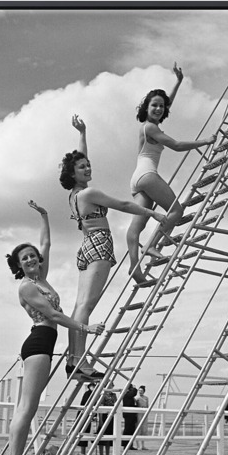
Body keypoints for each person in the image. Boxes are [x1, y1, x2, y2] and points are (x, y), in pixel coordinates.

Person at [60, 116, 167, 378]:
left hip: (86, 247)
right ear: (73, 173)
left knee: (79, 307)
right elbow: (124, 205)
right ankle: (80, 362)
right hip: (98, 245)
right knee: (85, 307)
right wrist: (151, 213)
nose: (87, 168)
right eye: (82, 168)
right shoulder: (88, 193)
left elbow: (78, 158)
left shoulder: (74, 194)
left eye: (88, 165)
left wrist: (83, 133)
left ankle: (74, 359)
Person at [5, 200, 105, 455]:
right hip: (38, 342)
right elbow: (55, 316)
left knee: (30, 407)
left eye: (31, 255)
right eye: (23, 258)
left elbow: (46, 244)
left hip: (45, 343)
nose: (30, 258)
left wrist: (45, 215)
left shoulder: (41, 278)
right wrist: (86, 327)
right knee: (26, 408)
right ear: (19, 265)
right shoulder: (27, 287)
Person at [126, 63, 218, 283]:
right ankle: (152, 245)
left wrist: (177, 82)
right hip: (147, 174)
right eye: (154, 105)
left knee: (136, 226)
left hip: (138, 178)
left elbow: (167, 104)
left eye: (160, 106)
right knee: (176, 211)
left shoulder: (150, 125)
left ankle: (134, 269)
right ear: (146, 108)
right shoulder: (150, 127)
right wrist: (204, 141)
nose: (158, 108)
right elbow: (175, 145)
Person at [97, 381, 117, 455]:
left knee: (109, 436)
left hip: (111, 416)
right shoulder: (102, 395)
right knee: (101, 436)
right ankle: (101, 454)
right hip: (104, 416)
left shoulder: (114, 395)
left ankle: (108, 454)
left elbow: (116, 404)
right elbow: (100, 408)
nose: (110, 386)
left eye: (111, 385)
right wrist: (101, 420)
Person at [78, 382, 96, 455]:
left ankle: (83, 452)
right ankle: (83, 452)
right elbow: (85, 403)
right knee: (83, 432)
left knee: (86, 432)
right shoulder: (88, 394)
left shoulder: (93, 394)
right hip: (84, 415)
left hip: (88, 415)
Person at [122, 384, 138, 449]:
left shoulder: (129, 396)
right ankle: (126, 444)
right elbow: (133, 393)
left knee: (131, 429)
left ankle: (130, 444)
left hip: (132, 414)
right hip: (128, 414)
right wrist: (134, 388)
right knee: (128, 429)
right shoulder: (126, 394)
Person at [134, 385, 150, 450]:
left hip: (144, 414)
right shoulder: (136, 398)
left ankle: (143, 445)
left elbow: (147, 405)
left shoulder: (146, 398)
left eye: (142, 391)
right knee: (138, 428)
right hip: (138, 414)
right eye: (139, 391)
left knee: (144, 429)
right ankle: (138, 445)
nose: (140, 392)